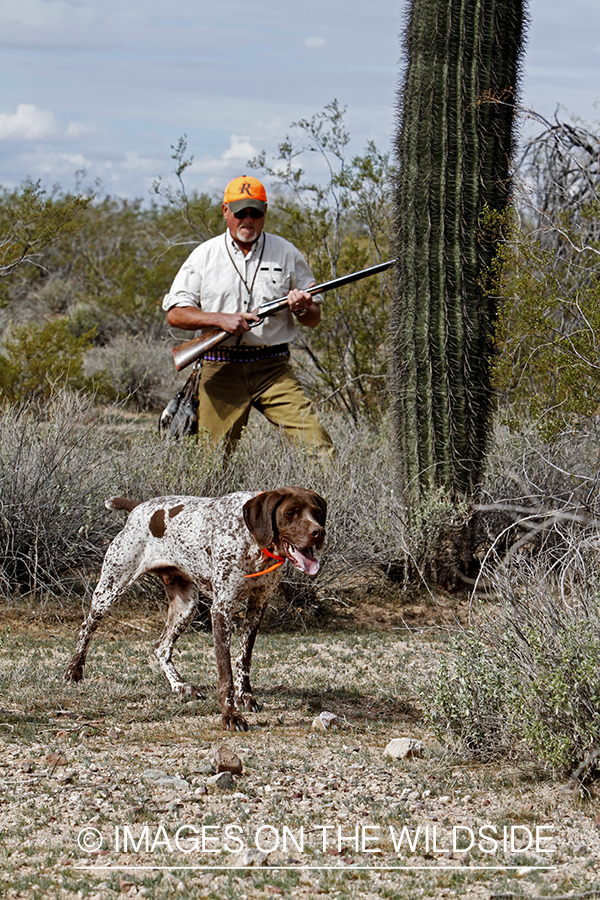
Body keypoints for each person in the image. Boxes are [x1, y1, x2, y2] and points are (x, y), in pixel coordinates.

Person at [163, 175, 334, 454]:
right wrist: (221, 320)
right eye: (241, 212)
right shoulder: (203, 255)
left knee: (319, 448)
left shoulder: (286, 252)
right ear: (225, 211)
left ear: (265, 212)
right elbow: (176, 315)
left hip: (273, 368)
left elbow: (313, 318)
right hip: (220, 368)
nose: (248, 220)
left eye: (255, 212)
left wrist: (302, 306)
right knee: (210, 462)